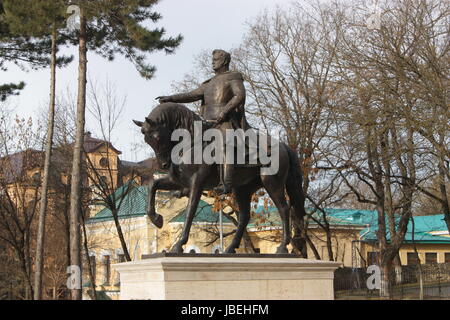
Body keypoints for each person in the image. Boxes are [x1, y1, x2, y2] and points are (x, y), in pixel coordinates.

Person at [156, 49, 249, 195]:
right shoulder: (209, 83)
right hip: (208, 123)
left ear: (224, 61)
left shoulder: (233, 77)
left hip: (226, 122)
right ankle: (186, 182)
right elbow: (191, 95)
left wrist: (224, 112)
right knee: (190, 147)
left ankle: (227, 183)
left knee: (224, 145)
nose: (213, 62)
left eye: (216, 59)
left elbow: (239, 95)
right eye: (212, 59)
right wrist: (171, 98)